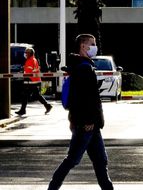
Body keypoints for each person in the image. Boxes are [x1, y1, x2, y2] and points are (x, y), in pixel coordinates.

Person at [48, 34, 113, 190]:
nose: (95, 47)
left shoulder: (82, 66)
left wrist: (78, 119)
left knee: (100, 161)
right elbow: (85, 98)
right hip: (87, 124)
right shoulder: (84, 68)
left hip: (91, 125)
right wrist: (87, 121)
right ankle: (52, 188)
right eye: (92, 44)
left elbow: (76, 98)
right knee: (72, 160)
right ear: (83, 46)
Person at [15, 47, 52, 116]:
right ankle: (47, 106)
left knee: (27, 95)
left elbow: (28, 71)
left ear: (30, 53)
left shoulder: (30, 60)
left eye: (26, 53)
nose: (25, 54)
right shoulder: (32, 59)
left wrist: (23, 73)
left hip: (31, 80)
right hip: (34, 80)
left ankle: (23, 110)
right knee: (33, 95)